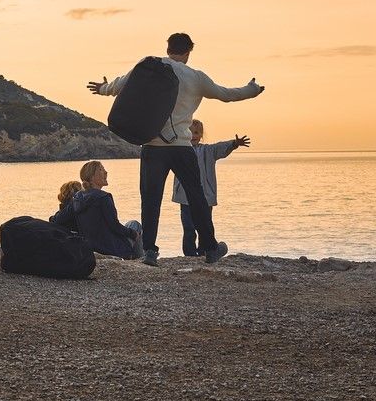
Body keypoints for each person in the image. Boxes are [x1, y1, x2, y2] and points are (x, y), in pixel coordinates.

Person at [87, 32, 264, 266]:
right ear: (189, 51)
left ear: (167, 47)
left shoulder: (147, 65)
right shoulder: (195, 77)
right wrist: (251, 90)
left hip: (151, 145)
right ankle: (210, 248)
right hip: (181, 147)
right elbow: (227, 94)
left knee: (150, 200)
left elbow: (120, 84)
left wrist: (102, 89)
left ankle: (150, 251)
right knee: (196, 197)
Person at [174, 119, 251, 256]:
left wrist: (234, 144)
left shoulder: (208, 151)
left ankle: (205, 251)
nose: (193, 135)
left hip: (205, 197)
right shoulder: (179, 151)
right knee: (188, 228)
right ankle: (190, 254)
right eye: (189, 132)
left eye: (196, 132)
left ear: (201, 135)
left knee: (205, 226)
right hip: (185, 197)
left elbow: (220, 147)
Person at [50, 160, 143, 260]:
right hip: (112, 249)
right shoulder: (103, 197)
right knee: (135, 225)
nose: (106, 172)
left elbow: (56, 220)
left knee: (130, 226)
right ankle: (139, 257)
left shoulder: (77, 198)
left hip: (91, 248)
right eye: (101, 170)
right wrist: (133, 234)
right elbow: (115, 226)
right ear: (92, 177)